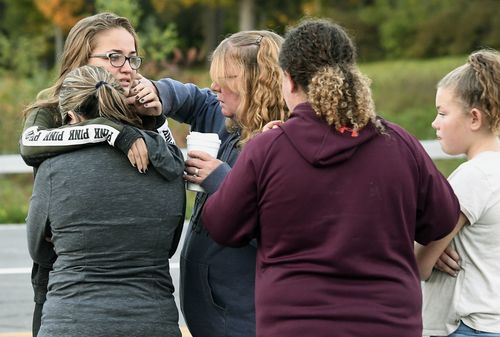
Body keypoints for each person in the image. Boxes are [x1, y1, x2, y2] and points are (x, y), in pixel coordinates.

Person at [201, 19, 460, 337]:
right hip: (389, 324)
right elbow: (443, 217)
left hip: (295, 325)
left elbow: (222, 225)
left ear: (289, 80)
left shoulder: (268, 149)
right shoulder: (398, 143)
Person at [20, 12, 184, 336]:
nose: (127, 67)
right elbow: (29, 143)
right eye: (114, 57)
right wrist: (113, 132)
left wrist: (159, 119)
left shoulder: (139, 110)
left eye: (132, 58)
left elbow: (173, 166)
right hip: (58, 280)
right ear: (80, 59)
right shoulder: (53, 108)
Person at [137, 30, 286, 337]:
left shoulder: (281, 144)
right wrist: (157, 91)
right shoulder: (221, 115)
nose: (216, 86)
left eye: (226, 78)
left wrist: (222, 180)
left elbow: (279, 232)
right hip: (211, 319)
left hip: (248, 323)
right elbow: (193, 98)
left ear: (257, 83)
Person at [414, 49, 500, 337]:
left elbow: (418, 265)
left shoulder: (472, 177)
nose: (434, 123)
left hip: (467, 326)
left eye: (442, 113)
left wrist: (426, 248)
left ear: (474, 118)